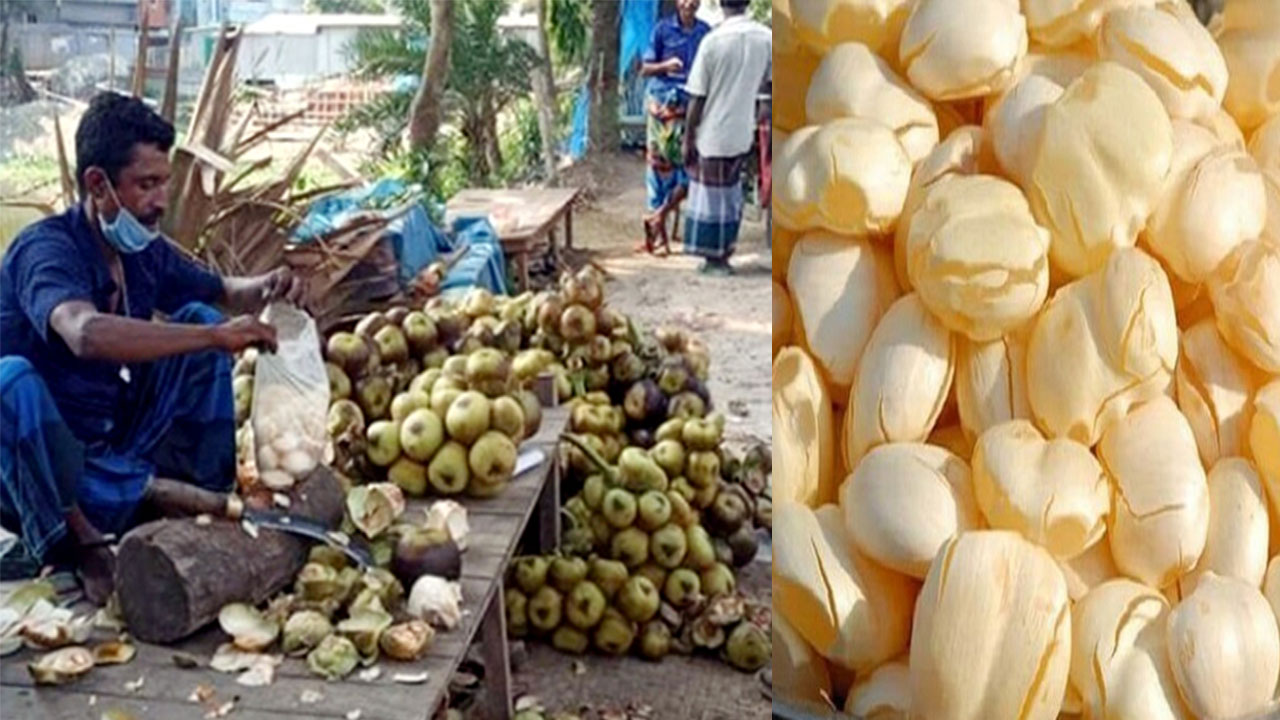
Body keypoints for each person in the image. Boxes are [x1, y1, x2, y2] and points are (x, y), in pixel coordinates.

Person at [0, 92, 304, 604]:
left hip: (110, 441)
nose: (162, 200)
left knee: (199, 319)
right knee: (8, 380)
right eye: (147, 184)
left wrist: (269, 286)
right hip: (40, 468)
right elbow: (85, 332)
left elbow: (224, 292)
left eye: (164, 182)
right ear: (98, 185)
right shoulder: (47, 250)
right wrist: (213, 335)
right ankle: (83, 543)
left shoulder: (141, 248)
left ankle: (196, 499)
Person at [681, 0, 771, 275]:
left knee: (711, 199)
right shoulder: (765, 38)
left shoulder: (712, 42)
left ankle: (715, 259)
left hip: (713, 131)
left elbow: (697, 96)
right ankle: (725, 252)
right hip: (743, 130)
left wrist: (688, 136)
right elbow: (768, 87)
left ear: (720, 4)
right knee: (731, 195)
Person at [639, 0, 710, 255]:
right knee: (658, 171)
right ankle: (659, 236)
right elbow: (645, 69)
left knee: (691, 171)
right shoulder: (661, 30)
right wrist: (665, 66)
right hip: (661, 110)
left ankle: (657, 216)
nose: (688, 3)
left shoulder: (706, 33)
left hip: (690, 112)